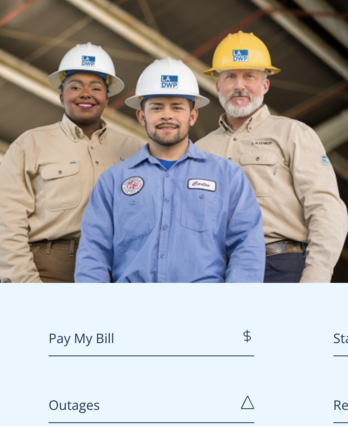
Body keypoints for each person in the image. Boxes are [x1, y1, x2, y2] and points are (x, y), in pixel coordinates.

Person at [74, 58, 264, 283]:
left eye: (177, 107)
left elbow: (247, 248)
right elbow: (93, 254)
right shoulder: (113, 181)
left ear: (192, 116)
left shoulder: (227, 176)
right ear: (141, 117)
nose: (167, 115)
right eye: (156, 108)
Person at [196, 31, 348, 283]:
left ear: (265, 85)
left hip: (278, 267)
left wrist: (316, 277)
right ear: (218, 86)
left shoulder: (293, 134)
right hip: (215, 272)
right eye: (230, 76)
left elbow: (326, 208)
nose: (239, 85)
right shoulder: (199, 149)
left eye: (249, 76)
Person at [0, 43, 143, 283]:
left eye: (96, 87)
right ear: (61, 96)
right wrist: (26, 284)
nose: (85, 93)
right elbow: (6, 224)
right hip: (50, 272)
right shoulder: (30, 145)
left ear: (106, 98)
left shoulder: (135, 150)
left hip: (118, 270)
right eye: (75, 86)